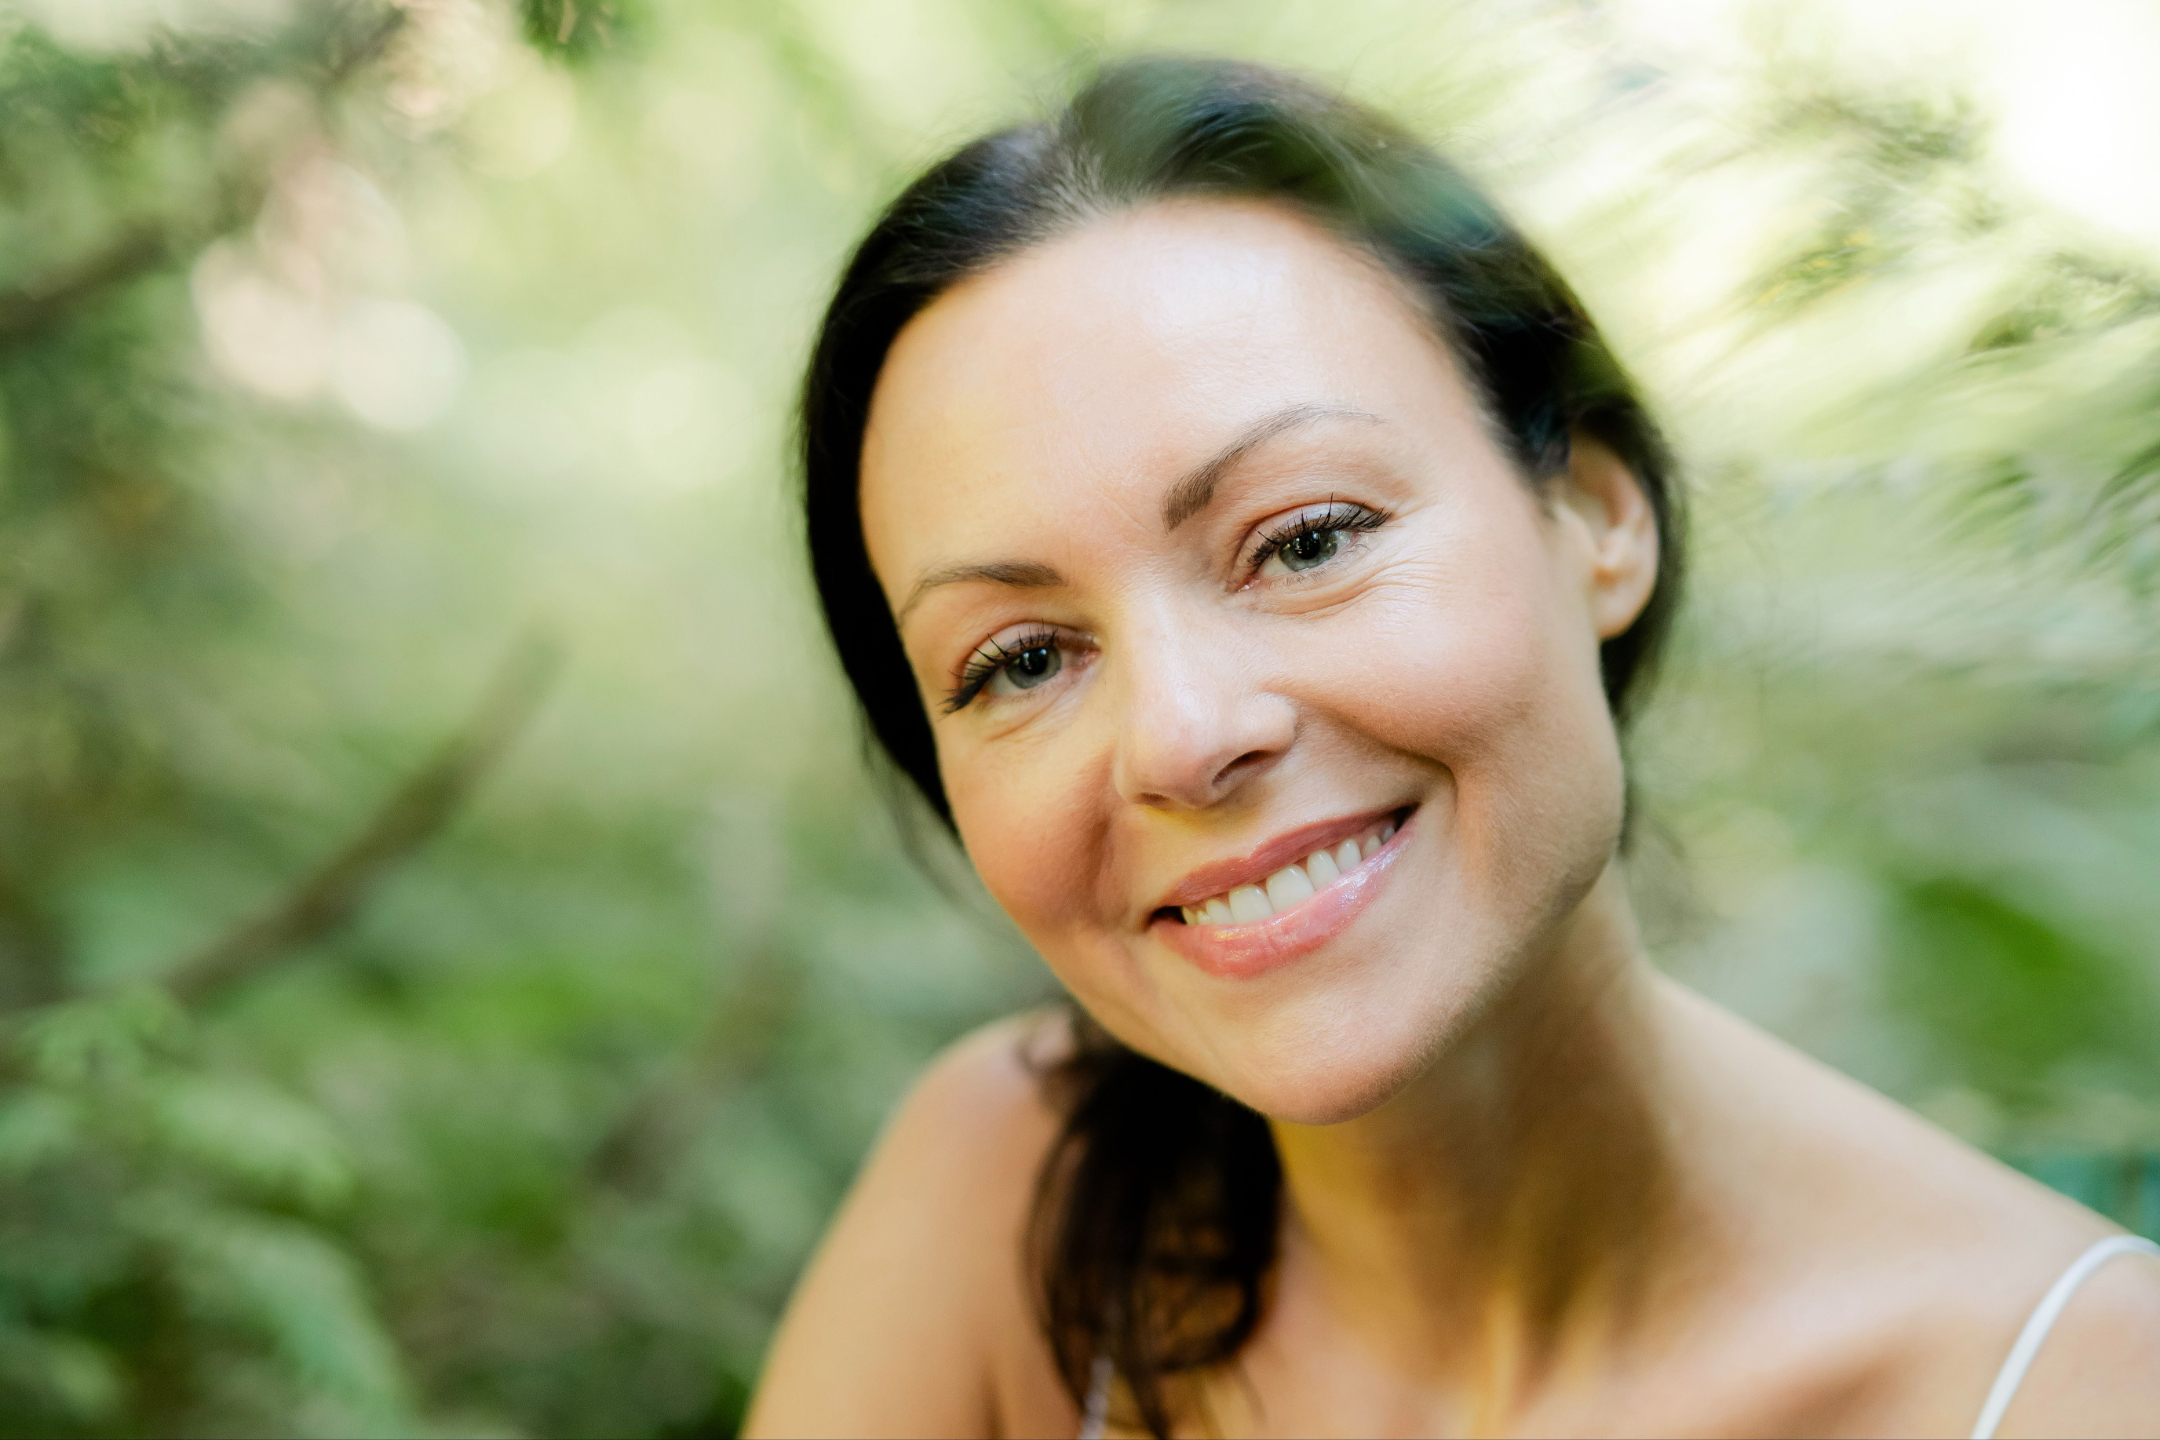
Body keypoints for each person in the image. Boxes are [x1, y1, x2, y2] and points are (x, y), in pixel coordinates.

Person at [745, 57, 2160, 1438]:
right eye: (1021, 661)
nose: (1180, 737)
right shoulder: (1012, 1193)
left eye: (1307, 540)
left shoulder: (2076, 1388)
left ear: (1597, 514)